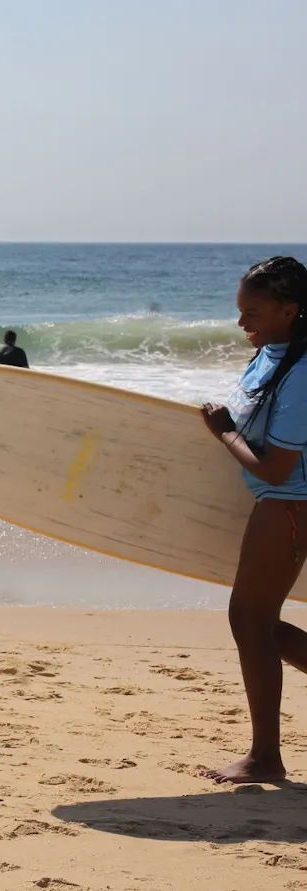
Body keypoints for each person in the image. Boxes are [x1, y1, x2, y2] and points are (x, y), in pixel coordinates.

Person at [200, 255, 307, 785]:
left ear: (289, 310)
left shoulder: (303, 373)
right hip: (273, 503)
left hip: (289, 505)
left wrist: (222, 432)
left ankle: (265, 756)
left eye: (254, 313)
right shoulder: (270, 356)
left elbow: (276, 465)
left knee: (251, 621)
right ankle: (264, 754)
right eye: (241, 312)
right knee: (253, 622)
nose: (243, 323)